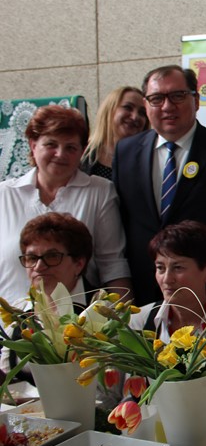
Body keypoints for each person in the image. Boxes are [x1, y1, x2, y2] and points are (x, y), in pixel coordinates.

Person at [114, 65, 206, 305]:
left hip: (204, 293)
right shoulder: (125, 151)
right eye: (157, 99)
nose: (167, 106)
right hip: (143, 290)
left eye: (177, 96)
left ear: (196, 100)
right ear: (146, 104)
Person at [0, 105, 130, 305]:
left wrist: (124, 317)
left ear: (82, 151)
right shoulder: (4, 195)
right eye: (51, 144)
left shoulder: (99, 191)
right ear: (33, 145)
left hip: (75, 320)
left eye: (70, 147)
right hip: (10, 319)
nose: (60, 154)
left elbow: (113, 265)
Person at [130, 221, 206, 426]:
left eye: (178, 268)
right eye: (160, 268)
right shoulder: (140, 320)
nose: (167, 279)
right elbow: (132, 395)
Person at [1, 212, 93, 375]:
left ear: (79, 263)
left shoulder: (101, 311)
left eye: (52, 256)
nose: (38, 267)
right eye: (31, 258)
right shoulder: (18, 310)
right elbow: (8, 375)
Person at [81, 86, 148, 179]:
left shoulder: (149, 159)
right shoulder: (82, 152)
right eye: (128, 108)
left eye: (142, 113)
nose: (135, 116)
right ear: (109, 110)